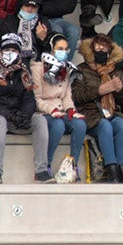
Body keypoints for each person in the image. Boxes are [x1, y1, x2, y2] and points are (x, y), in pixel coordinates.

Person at [0, 32, 48, 184]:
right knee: (0, 121)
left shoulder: (23, 70)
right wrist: (10, 115)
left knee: (39, 120)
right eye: (7, 50)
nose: (10, 53)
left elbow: (29, 97)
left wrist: (24, 115)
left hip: (14, 115)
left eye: (14, 51)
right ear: (1, 50)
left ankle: (41, 170)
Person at [73, 35, 123, 182]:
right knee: (105, 126)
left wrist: (120, 90)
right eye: (97, 48)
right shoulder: (82, 69)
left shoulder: (115, 71)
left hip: (111, 112)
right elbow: (76, 96)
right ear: (91, 50)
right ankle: (111, 168)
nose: (100, 51)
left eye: (104, 48)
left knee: (122, 126)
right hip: (90, 113)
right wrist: (99, 90)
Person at [31, 33, 87, 174]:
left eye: (66, 49)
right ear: (51, 49)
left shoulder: (66, 69)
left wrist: (71, 111)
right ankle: (46, 163)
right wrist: (52, 110)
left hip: (61, 111)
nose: (63, 52)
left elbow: (67, 96)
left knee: (80, 124)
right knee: (58, 125)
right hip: (44, 111)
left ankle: (71, 166)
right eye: (59, 48)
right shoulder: (38, 68)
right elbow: (37, 99)